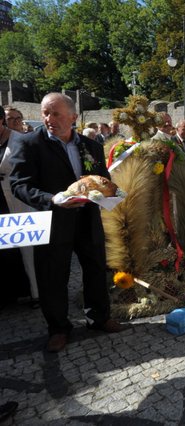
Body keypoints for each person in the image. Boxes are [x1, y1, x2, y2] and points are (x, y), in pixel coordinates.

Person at [9, 92, 126, 353]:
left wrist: (111, 194)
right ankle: (59, 328)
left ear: (73, 117)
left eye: (55, 113)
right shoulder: (30, 144)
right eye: (45, 113)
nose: (49, 119)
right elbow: (19, 185)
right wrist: (52, 199)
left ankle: (99, 317)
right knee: (52, 276)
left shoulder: (91, 145)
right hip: (52, 220)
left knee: (96, 268)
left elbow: (102, 179)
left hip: (87, 219)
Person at [0, 107, 39, 305]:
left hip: (17, 201)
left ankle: (34, 292)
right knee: (4, 252)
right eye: (11, 118)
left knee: (25, 249)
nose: (15, 121)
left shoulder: (20, 140)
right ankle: (9, 294)